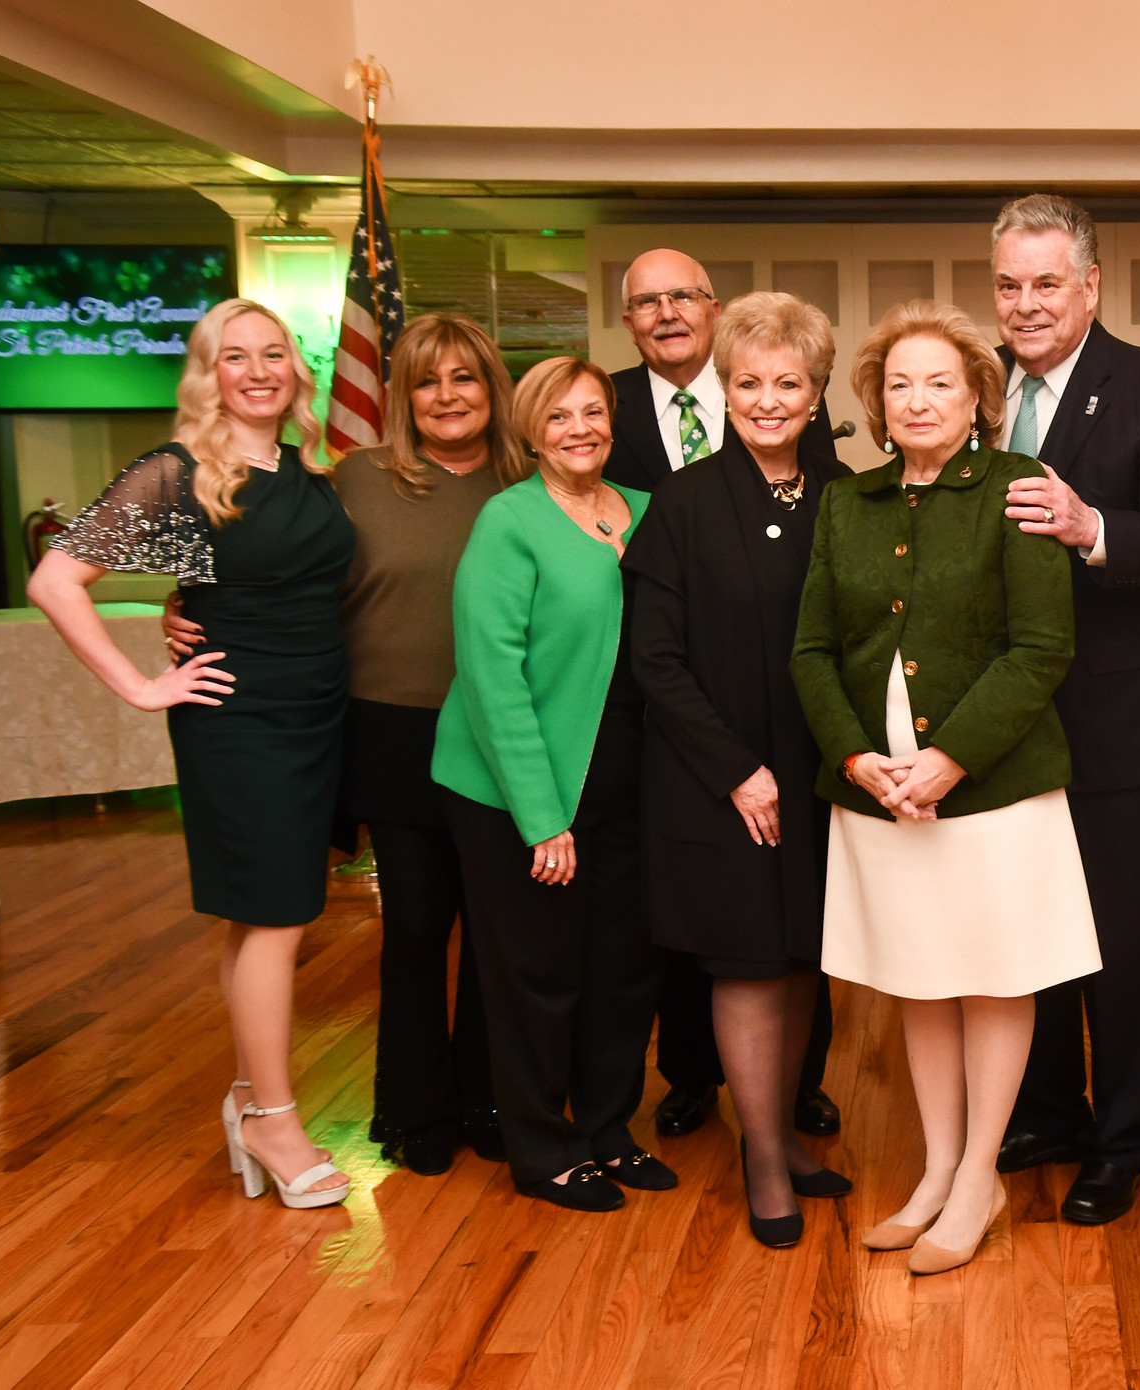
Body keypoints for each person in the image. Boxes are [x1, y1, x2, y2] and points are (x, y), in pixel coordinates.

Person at [167, 312, 522, 1175]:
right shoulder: (352, 480)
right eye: (427, 381)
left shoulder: (531, 481)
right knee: (412, 927)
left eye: (464, 378)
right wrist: (179, 615)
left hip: (504, 734)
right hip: (389, 730)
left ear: (491, 391)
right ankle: (414, 1112)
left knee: (498, 932)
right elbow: (263, 568)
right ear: (401, 397)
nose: (447, 396)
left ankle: (494, 1101)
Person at [791, 299, 1099, 1275]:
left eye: (939, 382)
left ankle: (978, 1178)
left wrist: (949, 758)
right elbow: (810, 651)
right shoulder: (847, 501)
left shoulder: (1016, 487)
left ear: (977, 399)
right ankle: (936, 1169)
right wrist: (854, 758)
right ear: (875, 403)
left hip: (990, 791)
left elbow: (1041, 647)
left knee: (992, 975)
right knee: (919, 977)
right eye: (898, 383)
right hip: (878, 791)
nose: (917, 398)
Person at [30, 299, 354, 1209]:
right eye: (234, 357)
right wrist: (141, 686)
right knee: (279, 916)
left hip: (316, 711)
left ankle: (250, 1099)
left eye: (274, 354)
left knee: (259, 916)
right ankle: (276, 1121)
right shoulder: (177, 471)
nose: (257, 371)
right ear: (207, 374)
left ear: (297, 368)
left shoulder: (303, 467)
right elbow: (55, 580)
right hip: (239, 718)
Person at [988, 194, 1140, 1226]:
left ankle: (1121, 1139)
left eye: (1046, 283)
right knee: (1025, 930)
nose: (1025, 303)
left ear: (1090, 286)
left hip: (1122, 724)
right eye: (1008, 284)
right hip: (1004, 723)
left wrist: (1089, 525)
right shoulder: (975, 387)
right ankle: (1045, 1111)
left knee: (1120, 944)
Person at [622, 292, 854, 1248]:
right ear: (724, 388)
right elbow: (654, 659)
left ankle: (785, 1135)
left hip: (818, 773)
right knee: (751, 963)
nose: (766, 400)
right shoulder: (683, 503)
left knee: (803, 956)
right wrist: (736, 771)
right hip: (721, 783)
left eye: (786, 384)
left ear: (815, 393)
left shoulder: (842, 496)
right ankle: (763, 1155)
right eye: (749, 382)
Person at [432, 357, 674, 1212]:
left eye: (594, 412)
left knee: (622, 967)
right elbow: (491, 676)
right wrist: (542, 820)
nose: (581, 428)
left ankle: (608, 1129)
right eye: (560, 415)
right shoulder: (511, 521)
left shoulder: (646, 514)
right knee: (536, 972)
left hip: (627, 780)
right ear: (531, 431)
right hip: (516, 786)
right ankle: (541, 1147)